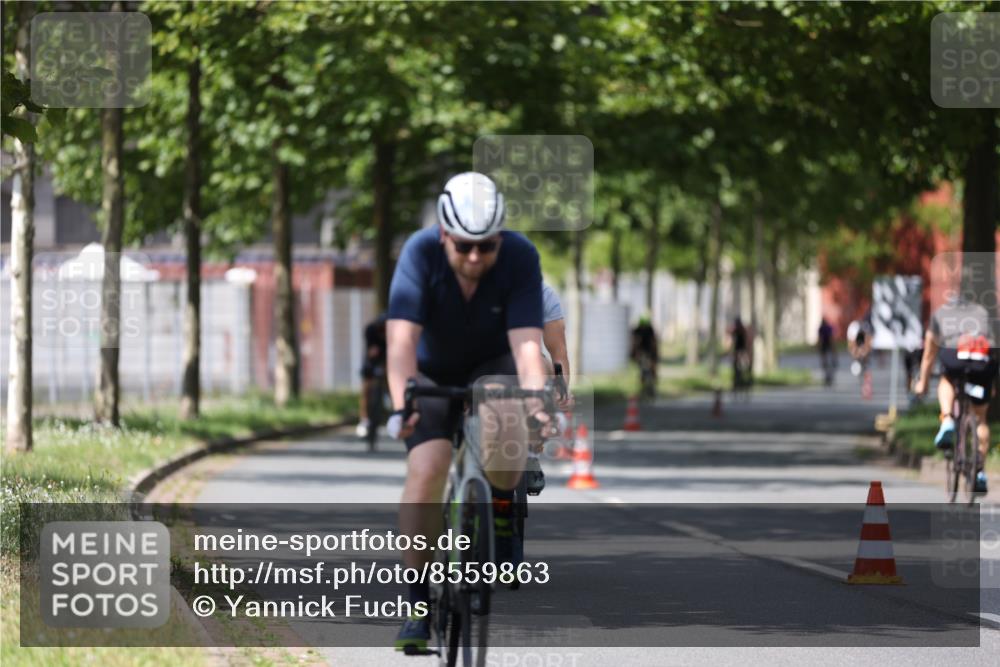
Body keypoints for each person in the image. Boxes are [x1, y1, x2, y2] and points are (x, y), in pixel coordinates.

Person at [385, 172, 553, 652]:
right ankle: (417, 603)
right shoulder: (419, 254)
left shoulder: (520, 257)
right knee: (427, 468)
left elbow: (526, 347)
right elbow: (401, 344)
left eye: (487, 246)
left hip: (492, 365)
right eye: (464, 246)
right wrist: (402, 405)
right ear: (444, 236)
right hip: (432, 371)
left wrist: (538, 402)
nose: (476, 257)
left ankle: (499, 515)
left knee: (505, 425)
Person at [913, 295, 997, 494]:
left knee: (947, 379)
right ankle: (980, 472)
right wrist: (991, 381)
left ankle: (948, 418)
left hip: (956, 359)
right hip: (981, 364)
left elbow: (928, 355)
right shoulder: (985, 315)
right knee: (981, 419)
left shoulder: (941, 315)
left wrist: (922, 384)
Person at [356, 313, 387, 438]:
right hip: (371, 362)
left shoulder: (393, 332)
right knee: (366, 390)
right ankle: (364, 419)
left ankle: (393, 407)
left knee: (392, 377)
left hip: (386, 360)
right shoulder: (370, 330)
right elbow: (371, 350)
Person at [630, 313, 658, 393]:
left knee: (650, 368)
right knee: (643, 369)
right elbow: (634, 342)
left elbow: (653, 342)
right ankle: (644, 385)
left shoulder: (649, 330)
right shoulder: (639, 330)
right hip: (642, 352)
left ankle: (651, 385)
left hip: (648, 352)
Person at [729, 316, 751, 390]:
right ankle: (740, 379)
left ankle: (738, 380)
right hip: (740, 350)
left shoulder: (739, 330)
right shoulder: (740, 330)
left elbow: (732, 341)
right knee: (740, 365)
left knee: (738, 365)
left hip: (740, 350)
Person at [818, 317, 835, 385]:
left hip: (826, 345)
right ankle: (828, 376)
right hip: (827, 345)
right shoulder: (825, 328)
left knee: (826, 362)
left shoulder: (822, 328)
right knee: (827, 362)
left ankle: (828, 376)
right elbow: (831, 338)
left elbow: (821, 339)